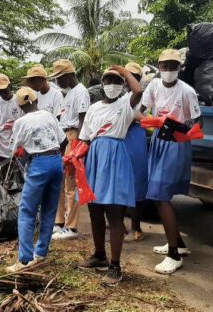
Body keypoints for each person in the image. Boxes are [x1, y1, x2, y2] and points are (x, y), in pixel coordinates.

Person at [77, 66, 142, 285]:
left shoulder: (126, 104)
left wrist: (125, 72)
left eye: (117, 80)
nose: (112, 84)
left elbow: (138, 91)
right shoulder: (94, 108)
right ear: (102, 84)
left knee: (114, 214)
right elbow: (85, 138)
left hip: (115, 159)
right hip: (94, 159)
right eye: (108, 80)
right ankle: (99, 255)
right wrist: (74, 155)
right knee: (95, 211)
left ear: (122, 84)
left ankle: (115, 266)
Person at [141, 49, 201, 274]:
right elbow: (141, 111)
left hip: (176, 142)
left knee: (160, 194)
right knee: (156, 195)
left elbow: (198, 122)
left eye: (172, 66)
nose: (168, 70)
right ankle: (178, 243)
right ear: (159, 66)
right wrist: (151, 121)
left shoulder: (187, 91)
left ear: (179, 68)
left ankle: (174, 255)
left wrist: (181, 129)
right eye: (164, 66)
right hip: (158, 139)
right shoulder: (154, 86)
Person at [6, 87, 66, 273]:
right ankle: (41, 253)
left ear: (20, 105)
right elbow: (63, 140)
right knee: (49, 209)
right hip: (56, 162)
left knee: (27, 211)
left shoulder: (21, 122)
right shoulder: (48, 115)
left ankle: (24, 259)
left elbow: (13, 148)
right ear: (35, 100)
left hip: (39, 163)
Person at [48, 59, 90, 241]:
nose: (57, 82)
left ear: (70, 75)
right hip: (64, 137)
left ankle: (71, 226)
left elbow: (82, 121)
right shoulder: (67, 93)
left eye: (60, 78)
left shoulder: (81, 92)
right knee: (59, 181)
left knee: (71, 185)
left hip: (74, 137)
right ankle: (59, 222)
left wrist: (78, 146)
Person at [122, 62, 148, 243]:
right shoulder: (124, 96)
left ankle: (136, 227)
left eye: (132, 76)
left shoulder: (141, 98)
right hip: (124, 137)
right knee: (122, 181)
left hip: (134, 137)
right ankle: (121, 222)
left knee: (135, 183)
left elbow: (133, 118)